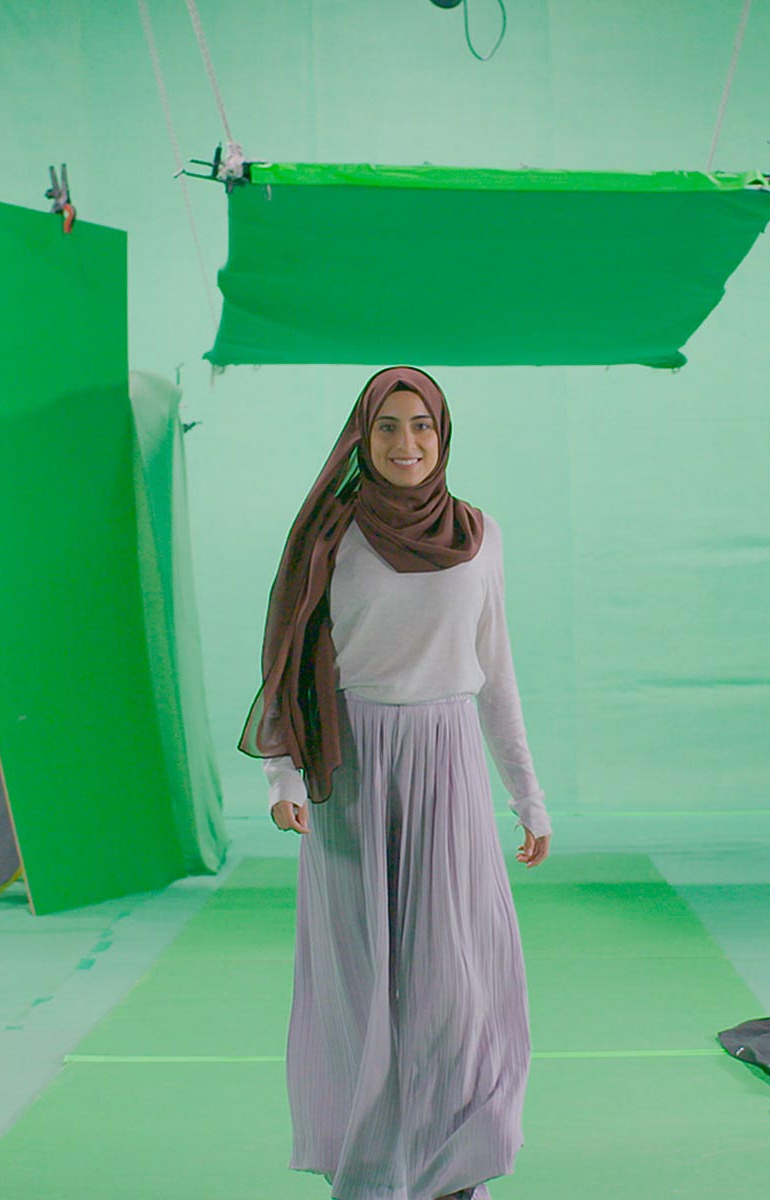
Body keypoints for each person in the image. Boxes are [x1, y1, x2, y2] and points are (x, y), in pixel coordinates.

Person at [242, 366, 552, 1200]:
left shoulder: (480, 535)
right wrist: (282, 774)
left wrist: (526, 793)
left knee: (458, 981)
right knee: (362, 984)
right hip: (351, 768)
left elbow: (496, 672)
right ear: (362, 435)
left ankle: (452, 1169)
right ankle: (374, 1171)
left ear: (441, 436)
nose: (405, 443)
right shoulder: (329, 533)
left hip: (449, 763)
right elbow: (288, 660)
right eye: (387, 426)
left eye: (421, 426)